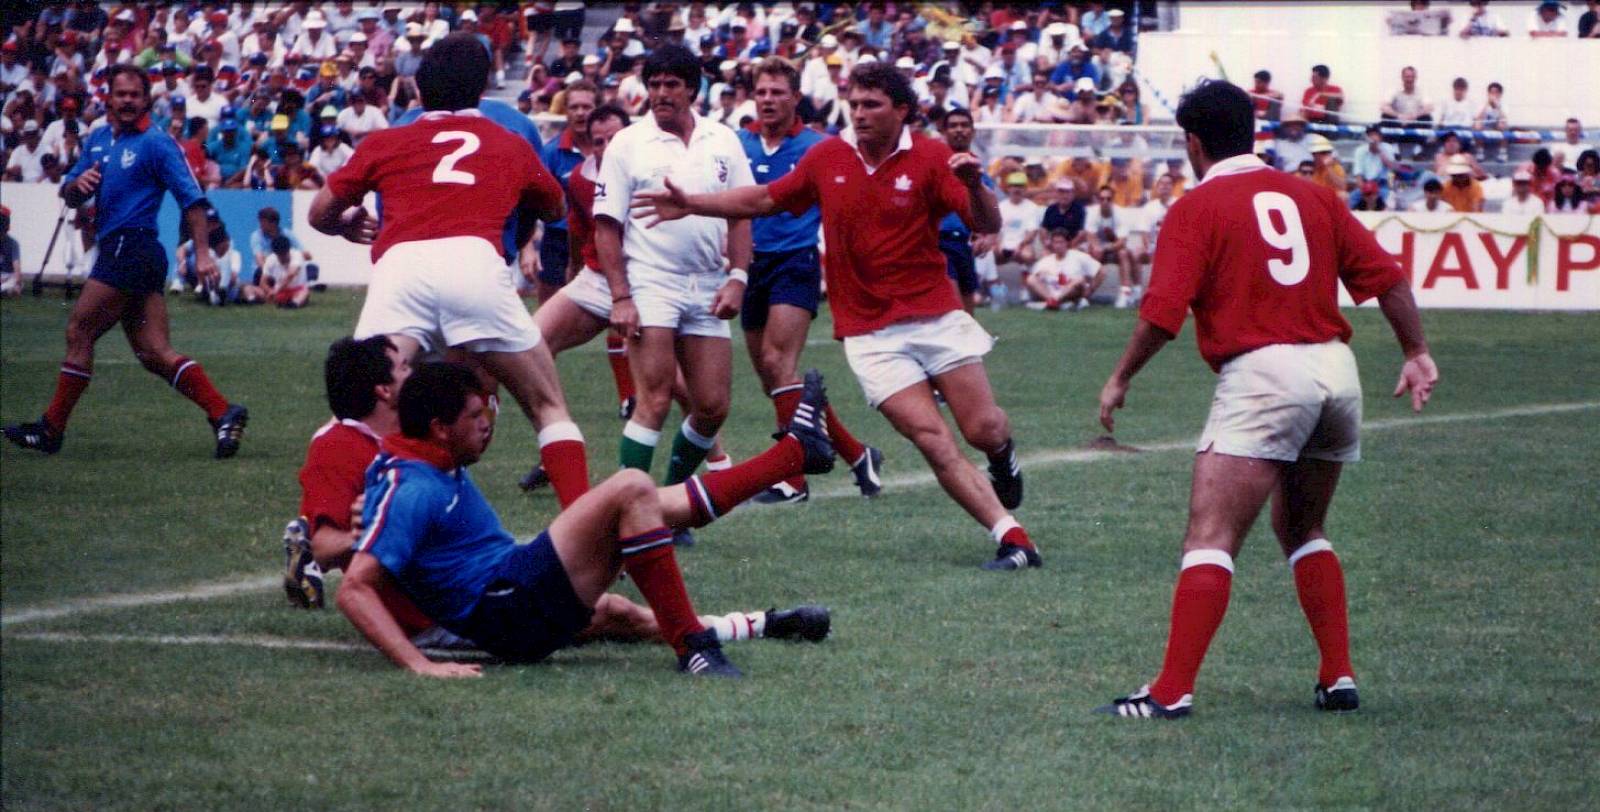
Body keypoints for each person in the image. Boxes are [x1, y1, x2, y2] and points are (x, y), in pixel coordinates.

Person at [1094, 79, 1438, 719]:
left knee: (1211, 534)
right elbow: (1388, 280)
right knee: (1303, 526)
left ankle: (1170, 692)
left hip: (1265, 375)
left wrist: (1120, 377)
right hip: (1336, 372)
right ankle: (1337, 675)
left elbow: (1163, 313)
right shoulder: (1314, 195)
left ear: (1193, 143)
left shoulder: (1196, 207)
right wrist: (1415, 352)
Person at [632, 62, 1042, 572]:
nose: (860, 114)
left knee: (983, 428)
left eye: (872, 104)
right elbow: (765, 197)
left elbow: (985, 221)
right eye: (854, 104)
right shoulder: (829, 156)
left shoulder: (934, 157)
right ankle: (1014, 539)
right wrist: (693, 203)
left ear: (902, 110)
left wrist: (976, 186)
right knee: (932, 439)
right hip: (870, 335)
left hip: (936, 317)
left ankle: (1002, 455)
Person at [286, 337, 829, 653]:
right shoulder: (348, 451)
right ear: (386, 391)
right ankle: (790, 459)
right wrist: (378, 532)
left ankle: (761, 622)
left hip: (495, 585)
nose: (414, 370)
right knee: (630, 495)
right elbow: (328, 548)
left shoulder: (414, 448)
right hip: (456, 614)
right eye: (405, 367)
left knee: (618, 608)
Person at [308, 33, 591, 509]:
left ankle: (321, 519)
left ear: (419, 90)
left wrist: (347, 224)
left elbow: (320, 213)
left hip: (400, 270)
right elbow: (555, 207)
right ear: (482, 91)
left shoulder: (386, 140)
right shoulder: (509, 142)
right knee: (547, 406)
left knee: (359, 408)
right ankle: (585, 529)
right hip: (474, 265)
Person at [4, 64, 248, 459]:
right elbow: (69, 192)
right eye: (121, 94)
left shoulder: (157, 143)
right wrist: (75, 186)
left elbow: (193, 199)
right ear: (109, 98)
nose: (128, 101)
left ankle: (51, 429)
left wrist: (203, 253)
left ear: (146, 99)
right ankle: (223, 411)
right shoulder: (98, 138)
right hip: (127, 252)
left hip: (131, 246)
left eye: (135, 94)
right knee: (154, 353)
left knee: (79, 329)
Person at [591, 45, 754, 533]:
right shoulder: (627, 143)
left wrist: (738, 277)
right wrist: (621, 296)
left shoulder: (722, 139)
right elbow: (606, 225)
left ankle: (668, 504)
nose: (661, 93)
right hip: (651, 281)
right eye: (654, 84)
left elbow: (741, 211)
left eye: (671, 84)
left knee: (712, 407)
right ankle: (627, 518)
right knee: (656, 400)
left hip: (707, 282)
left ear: (692, 89)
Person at [736, 57, 884, 505]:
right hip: (750, 267)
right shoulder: (737, 143)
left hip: (794, 263)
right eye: (761, 92)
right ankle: (858, 454)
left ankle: (794, 479)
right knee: (774, 380)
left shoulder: (820, 148)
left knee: (779, 363)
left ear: (796, 98)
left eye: (777, 92)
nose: (768, 100)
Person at [530, 79, 598, 304]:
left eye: (586, 107)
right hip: (559, 240)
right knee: (549, 308)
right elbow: (534, 199)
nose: (580, 113)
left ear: (597, 109)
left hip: (602, 236)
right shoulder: (551, 152)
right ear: (565, 111)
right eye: (574, 107)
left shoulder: (613, 149)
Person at [935, 108, 995, 310]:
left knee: (968, 314)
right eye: (953, 126)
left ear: (973, 131)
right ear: (944, 131)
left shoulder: (978, 171)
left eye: (964, 125)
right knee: (956, 310)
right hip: (938, 244)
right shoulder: (934, 166)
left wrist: (986, 236)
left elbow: (991, 210)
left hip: (963, 245)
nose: (959, 130)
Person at [1083, 184, 1139, 308]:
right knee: (1088, 253)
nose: (1105, 202)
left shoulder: (1121, 213)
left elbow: (1122, 241)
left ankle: (1125, 293)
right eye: (1102, 199)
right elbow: (1090, 236)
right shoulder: (1092, 212)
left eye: (1108, 199)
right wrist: (1097, 247)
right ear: (1098, 200)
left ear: (1113, 200)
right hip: (1098, 249)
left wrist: (1105, 248)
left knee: (1124, 253)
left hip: (1114, 249)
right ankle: (1085, 293)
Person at [1024, 229, 1100, 311]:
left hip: (1071, 293)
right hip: (1050, 292)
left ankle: (1054, 302)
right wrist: (1041, 276)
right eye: (1055, 242)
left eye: (1061, 242)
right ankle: (1054, 302)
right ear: (1052, 244)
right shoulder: (1045, 261)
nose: (1058, 245)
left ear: (1067, 243)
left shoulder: (1079, 256)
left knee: (1079, 280)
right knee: (1031, 278)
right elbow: (1035, 280)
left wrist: (1089, 291)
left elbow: (1101, 271)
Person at [243, 234, 310, 308]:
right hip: (279, 292)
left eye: (284, 254)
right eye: (279, 255)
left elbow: (290, 275)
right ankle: (252, 301)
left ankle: (293, 304)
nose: (282, 258)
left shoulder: (297, 255)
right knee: (247, 288)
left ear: (288, 250)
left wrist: (276, 290)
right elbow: (263, 282)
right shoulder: (271, 259)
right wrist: (270, 291)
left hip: (295, 290)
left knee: (304, 292)